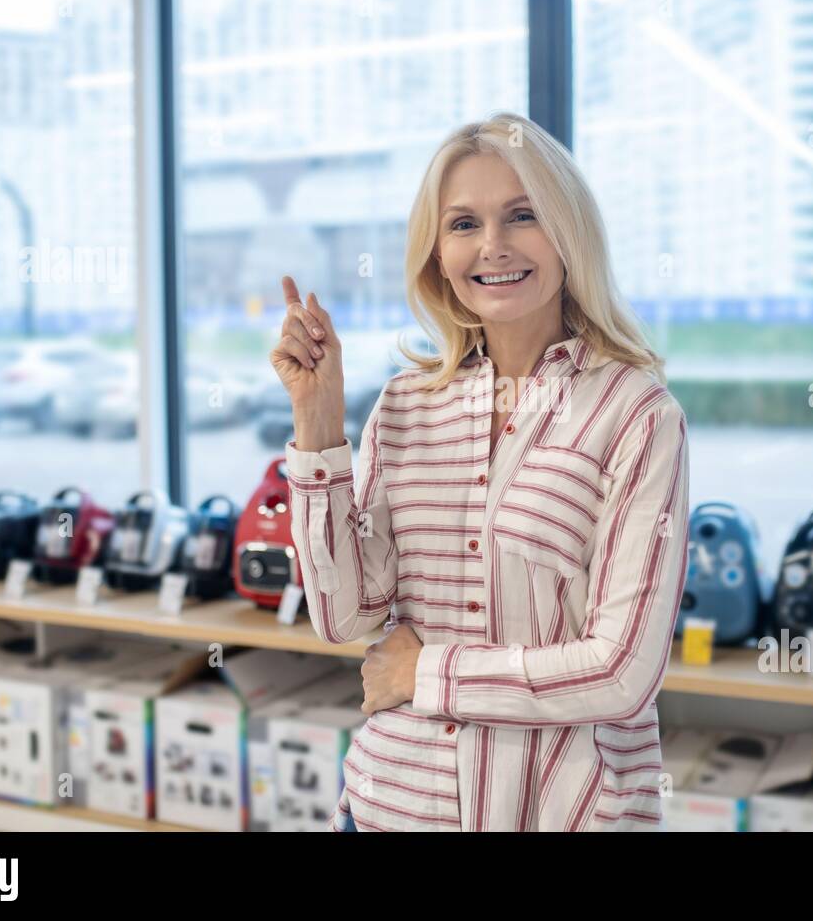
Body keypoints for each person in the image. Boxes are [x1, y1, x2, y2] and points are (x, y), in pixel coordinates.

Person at [270, 111, 690, 831]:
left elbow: (620, 671)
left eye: (521, 215)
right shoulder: (405, 405)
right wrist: (317, 420)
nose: (491, 246)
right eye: (463, 224)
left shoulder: (637, 414)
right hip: (387, 808)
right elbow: (346, 617)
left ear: (566, 230)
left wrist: (424, 672)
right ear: (436, 252)